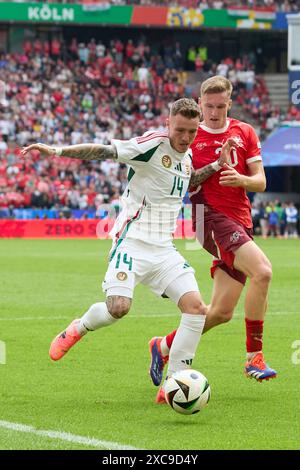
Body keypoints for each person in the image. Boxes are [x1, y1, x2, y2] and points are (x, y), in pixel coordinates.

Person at [21, 98, 235, 394]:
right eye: (179, 130)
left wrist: (216, 164)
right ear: (168, 124)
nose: (185, 138)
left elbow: (187, 181)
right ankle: (78, 328)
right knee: (118, 308)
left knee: (196, 309)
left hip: (163, 250)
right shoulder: (151, 145)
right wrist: (56, 150)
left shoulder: (186, 158)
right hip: (131, 243)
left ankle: (174, 382)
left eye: (191, 132)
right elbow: (103, 151)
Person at [149, 76, 277, 404]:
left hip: (240, 222)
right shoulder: (191, 135)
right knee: (262, 271)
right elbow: (184, 184)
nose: (215, 113)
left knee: (220, 312)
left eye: (221, 107)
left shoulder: (245, 131)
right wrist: (214, 166)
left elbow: (260, 182)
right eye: (209, 107)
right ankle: (254, 358)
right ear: (201, 103)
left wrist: (241, 179)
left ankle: (163, 346)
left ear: (229, 104)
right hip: (209, 220)